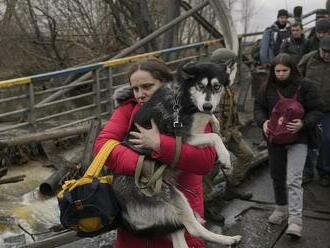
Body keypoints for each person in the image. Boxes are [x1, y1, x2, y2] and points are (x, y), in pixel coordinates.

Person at [94, 58, 217, 248]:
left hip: (179, 213)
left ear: (166, 84)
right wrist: (142, 165)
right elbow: (102, 146)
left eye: (147, 86)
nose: (140, 94)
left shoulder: (190, 110)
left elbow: (205, 162)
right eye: (135, 89)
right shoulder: (128, 109)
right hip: (137, 219)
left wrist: (160, 144)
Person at [254, 53, 323, 238]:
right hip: (274, 139)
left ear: (292, 69)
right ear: (273, 71)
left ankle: (295, 220)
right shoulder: (267, 87)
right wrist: (263, 122)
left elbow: (318, 109)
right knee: (277, 175)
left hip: (298, 139)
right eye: (277, 71)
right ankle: (280, 208)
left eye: (285, 70)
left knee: (293, 179)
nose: (281, 74)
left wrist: (303, 123)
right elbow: (258, 108)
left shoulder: (306, 86)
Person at [209, 48, 255, 186]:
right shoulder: (213, 85)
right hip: (217, 135)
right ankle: (205, 198)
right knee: (212, 168)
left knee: (247, 156)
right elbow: (213, 116)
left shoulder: (225, 81)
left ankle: (232, 185)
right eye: (232, 64)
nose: (235, 67)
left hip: (230, 131)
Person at [299, 36, 330, 187]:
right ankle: (307, 171)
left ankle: (324, 171)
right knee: (305, 139)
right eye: (325, 51)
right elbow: (297, 75)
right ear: (320, 48)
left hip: (327, 109)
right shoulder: (309, 59)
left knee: (326, 139)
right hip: (308, 108)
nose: (327, 55)